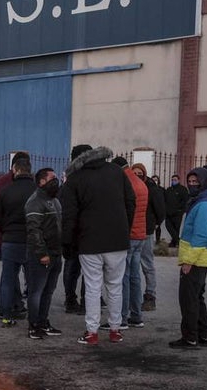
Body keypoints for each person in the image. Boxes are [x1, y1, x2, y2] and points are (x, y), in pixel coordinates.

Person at [60, 145, 135, 345]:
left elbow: (69, 214)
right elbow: (130, 201)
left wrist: (67, 241)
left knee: (92, 286)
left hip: (89, 240)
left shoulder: (75, 178)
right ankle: (115, 329)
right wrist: (124, 227)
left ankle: (92, 332)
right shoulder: (116, 172)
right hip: (117, 239)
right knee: (115, 285)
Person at [169, 168, 207, 349]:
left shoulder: (205, 204)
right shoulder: (203, 201)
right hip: (199, 257)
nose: (192, 185)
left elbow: (201, 235)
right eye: (189, 181)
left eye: (195, 182)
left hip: (196, 258)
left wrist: (189, 261)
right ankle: (205, 336)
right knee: (197, 298)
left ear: (204, 182)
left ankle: (190, 337)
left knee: (188, 299)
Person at [0, 155, 35, 325]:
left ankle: (5, 313)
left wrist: (6, 230)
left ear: (15, 170)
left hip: (10, 239)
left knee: (8, 279)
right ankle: (35, 314)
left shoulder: (6, 190)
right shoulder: (37, 191)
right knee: (33, 280)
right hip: (31, 240)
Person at [24, 168, 64, 339]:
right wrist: (42, 253)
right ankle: (33, 326)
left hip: (56, 253)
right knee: (36, 291)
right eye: (52, 178)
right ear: (41, 182)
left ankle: (43, 321)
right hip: (41, 255)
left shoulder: (54, 200)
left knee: (48, 291)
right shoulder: (34, 202)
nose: (56, 180)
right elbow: (34, 230)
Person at [116, 157, 149, 329]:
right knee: (135, 277)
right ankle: (137, 316)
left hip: (129, 235)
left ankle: (122, 317)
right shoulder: (140, 182)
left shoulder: (125, 183)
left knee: (124, 277)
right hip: (140, 234)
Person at [133, 163, 164, 311]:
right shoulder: (129, 186)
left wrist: (154, 223)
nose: (137, 175)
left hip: (146, 231)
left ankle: (150, 294)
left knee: (147, 264)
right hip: (131, 232)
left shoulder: (152, 189)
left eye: (140, 173)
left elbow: (160, 210)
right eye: (135, 173)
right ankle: (134, 297)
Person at [164, 174, 189, 248]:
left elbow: (185, 201)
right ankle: (177, 240)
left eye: (175, 180)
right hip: (168, 213)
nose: (173, 181)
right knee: (168, 226)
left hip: (177, 213)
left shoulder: (183, 189)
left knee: (176, 228)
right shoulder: (169, 189)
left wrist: (180, 210)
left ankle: (174, 243)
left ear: (178, 180)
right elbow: (165, 200)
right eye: (172, 180)